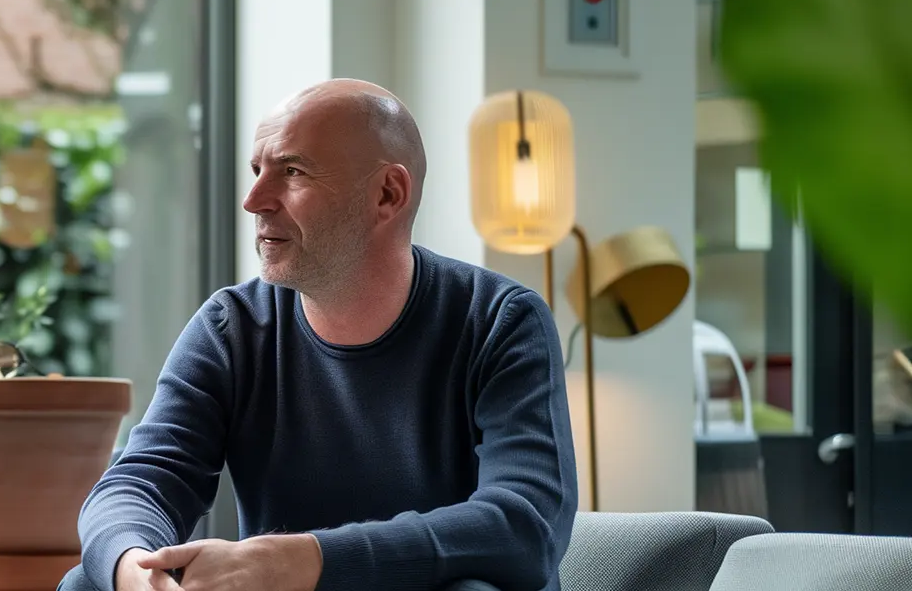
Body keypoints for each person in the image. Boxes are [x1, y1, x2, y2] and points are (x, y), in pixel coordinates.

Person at [64, 79, 578, 591]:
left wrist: (302, 561)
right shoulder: (233, 327)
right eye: (256, 170)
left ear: (387, 194)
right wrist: (135, 570)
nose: (253, 200)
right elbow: (138, 482)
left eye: (292, 171)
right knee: (88, 584)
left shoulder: (500, 321)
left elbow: (525, 526)